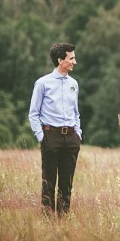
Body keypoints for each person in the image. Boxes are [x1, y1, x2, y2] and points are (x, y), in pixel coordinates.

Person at [28, 43, 83, 217]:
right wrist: (41, 137)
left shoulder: (74, 84)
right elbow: (33, 113)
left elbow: (76, 112)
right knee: (48, 182)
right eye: (71, 58)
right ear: (60, 60)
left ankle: (63, 219)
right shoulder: (43, 83)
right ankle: (47, 220)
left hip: (71, 138)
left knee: (67, 184)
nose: (75, 61)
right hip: (50, 136)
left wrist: (78, 133)